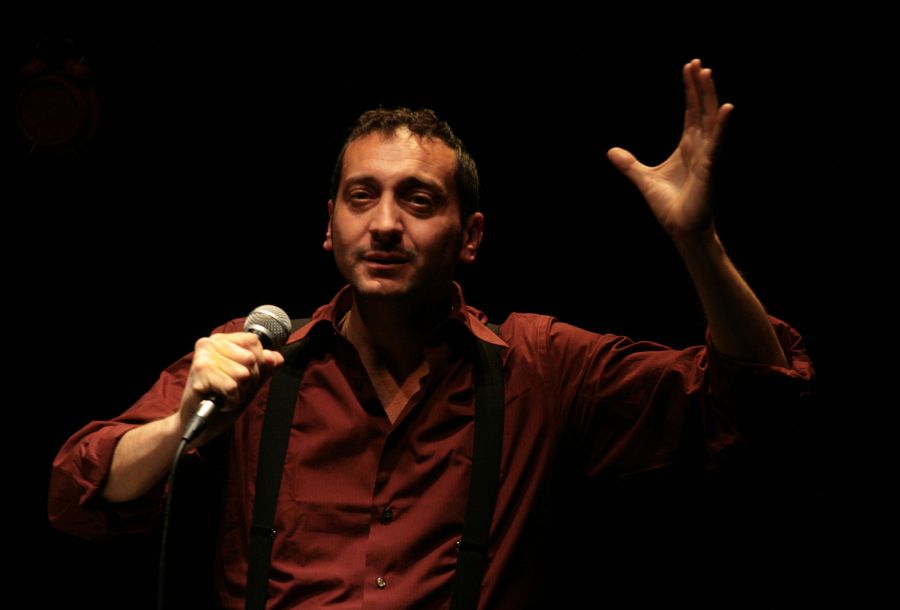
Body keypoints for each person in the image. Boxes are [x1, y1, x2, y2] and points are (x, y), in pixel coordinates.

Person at [49, 59, 813, 609]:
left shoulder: (540, 366)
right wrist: (181, 426)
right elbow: (77, 491)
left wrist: (699, 243)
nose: (385, 224)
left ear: (470, 236)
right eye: (361, 197)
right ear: (329, 226)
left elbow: (758, 402)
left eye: (418, 199)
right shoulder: (253, 356)